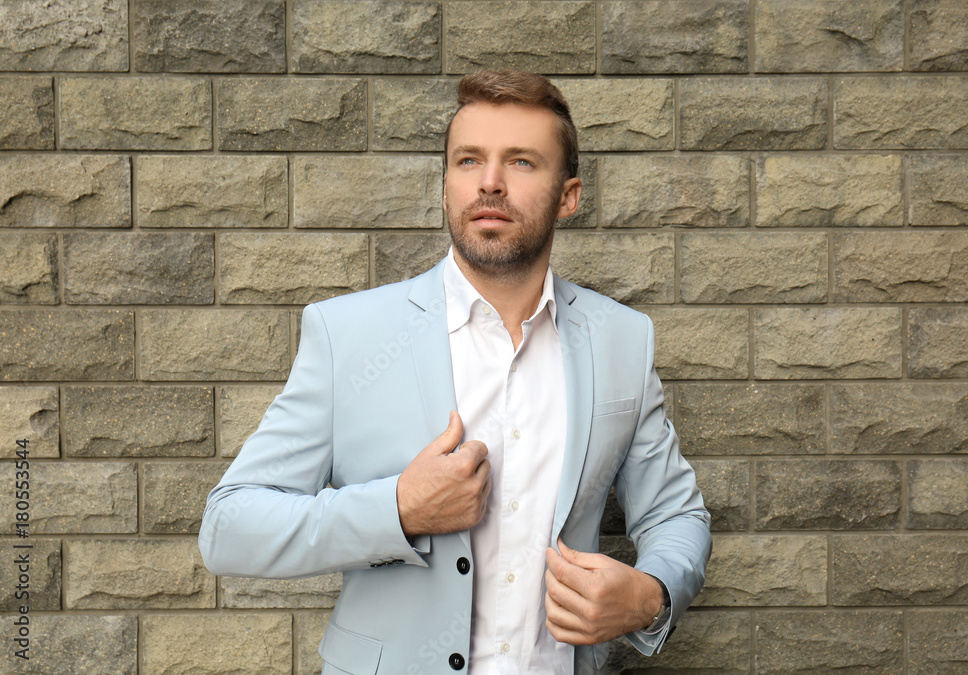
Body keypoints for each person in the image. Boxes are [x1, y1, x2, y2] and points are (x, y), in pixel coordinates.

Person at [199, 69, 711, 675]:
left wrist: (650, 597)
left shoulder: (622, 339)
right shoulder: (348, 336)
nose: (489, 183)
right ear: (446, 184)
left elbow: (675, 515)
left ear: (569, 195)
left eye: (521, 162)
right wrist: (398, 509)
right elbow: (229, 527)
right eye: (469, 160)